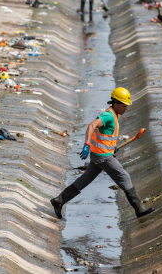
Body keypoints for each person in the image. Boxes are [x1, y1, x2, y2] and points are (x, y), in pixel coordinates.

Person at [50, 88, 154, 220]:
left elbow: (107, 135)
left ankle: (59, 200)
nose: (125, 108)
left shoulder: (116, 114)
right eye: (123, 106)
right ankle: (139, 210)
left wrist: (113, 147)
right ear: (115, 103)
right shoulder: (109, 115)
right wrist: (86, 145)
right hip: (103, 157)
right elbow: (91, 126)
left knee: (85, 180)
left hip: (99, 155)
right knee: (125, 177)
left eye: (126, 106)